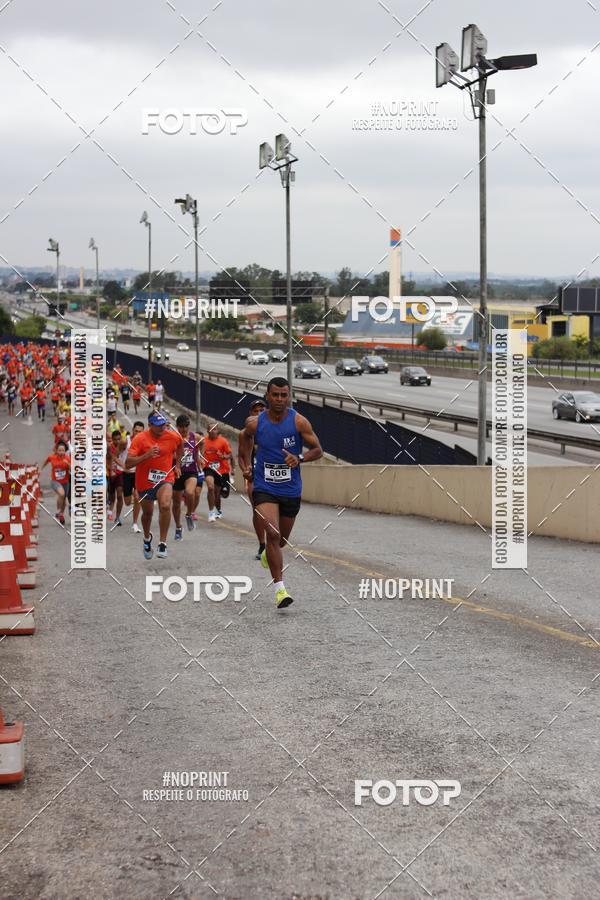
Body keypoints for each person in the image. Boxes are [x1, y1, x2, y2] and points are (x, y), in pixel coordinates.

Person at [238, 377, 323, 609]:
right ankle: (280, 589)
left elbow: (318, 450)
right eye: (275, 395)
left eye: (284, 395)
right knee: (273, 534)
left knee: (281, 540)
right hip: (264, 486)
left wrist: (300, 458)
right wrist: (246, 465)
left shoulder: (299, 422)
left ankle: (270, 553)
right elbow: (244, 438)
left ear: (289, 396)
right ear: (267, 396)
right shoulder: (257, 423)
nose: (279, 399)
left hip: (290, 488)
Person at [126, 411, 183, 559]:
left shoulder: (172, 436)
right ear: (150, 424)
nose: (162, 428)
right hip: (144, 482)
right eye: (158, 425)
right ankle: (146, 538)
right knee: (147, 514)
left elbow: (180, 445)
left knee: (165, 505)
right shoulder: (140, 439)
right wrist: (146, 455)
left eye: (163, 424)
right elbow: (128, 463)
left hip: (165, 478)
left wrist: (177, 465)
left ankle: (162, 543)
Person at [238, 398, 267, 559]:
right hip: (254, 476)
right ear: (250, 414)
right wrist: (245, 470)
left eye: (261, 410)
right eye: (255, 411)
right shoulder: (245, 434)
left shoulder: (274, 430)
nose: (258, 413)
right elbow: (241, 457)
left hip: (271, 474)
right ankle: (262, 544)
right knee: (257, 509)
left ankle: (274, 541)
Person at [172, 414, 204, 540]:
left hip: (191, 471)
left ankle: (189, 514)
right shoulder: (173, 438)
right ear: (177, 427)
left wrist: (199, 457)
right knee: (176, 504)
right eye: (181, 427)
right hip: (177, 473)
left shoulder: (194, 437)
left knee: (190, 493)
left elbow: (202, 442)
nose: (184, 429)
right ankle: (178, 527)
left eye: (186, 426)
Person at [202, 422, 235, 523]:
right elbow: (199, 453)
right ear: (208, 431)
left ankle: (218, 510)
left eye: (215, 429)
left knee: (217, 493)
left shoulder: (223, 441)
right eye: (211, 429)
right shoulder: (203, 441)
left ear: (218, 431)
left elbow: (230, 454)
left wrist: (224, 457)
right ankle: (211, 512)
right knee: (211, 488)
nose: (213, 431)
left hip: (221, 470)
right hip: (208, 468)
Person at [41, 439, 71, 524]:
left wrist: (68, 464)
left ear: (65, 451)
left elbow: (72, 469)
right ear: (56, 450)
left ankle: (61, 514)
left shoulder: (68, 458)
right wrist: (41, 469)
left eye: (63, 450)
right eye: (59, 450)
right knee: (61, 494)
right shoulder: (52, 457)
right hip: (55, 481)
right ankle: (58, 511)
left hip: (65, 482)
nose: (61, 452)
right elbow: (46, 461)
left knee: (64, 498)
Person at [123, 421, 144, 533]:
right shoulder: (125, 441)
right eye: (136, 431)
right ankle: (133, 496)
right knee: (127, 502)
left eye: (140, 432)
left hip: (138, 473)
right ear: (132, 430)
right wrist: (123, 465)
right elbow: (115, 455)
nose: (138, 433)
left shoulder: (145, 442)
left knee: (137, 497)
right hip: (126, 473)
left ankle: (135, 523)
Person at [106, 429, 128, 525]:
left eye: (119, 439)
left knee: (119, 495)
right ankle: (110, 509)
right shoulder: (109, 447)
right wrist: (111, 470)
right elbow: (108, 460)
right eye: (115, 439)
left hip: (120, 473)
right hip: (111, 474)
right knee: (112, 497)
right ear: (112, 440)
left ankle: (118, 517)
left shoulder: (123, 446)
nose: (117, 441)